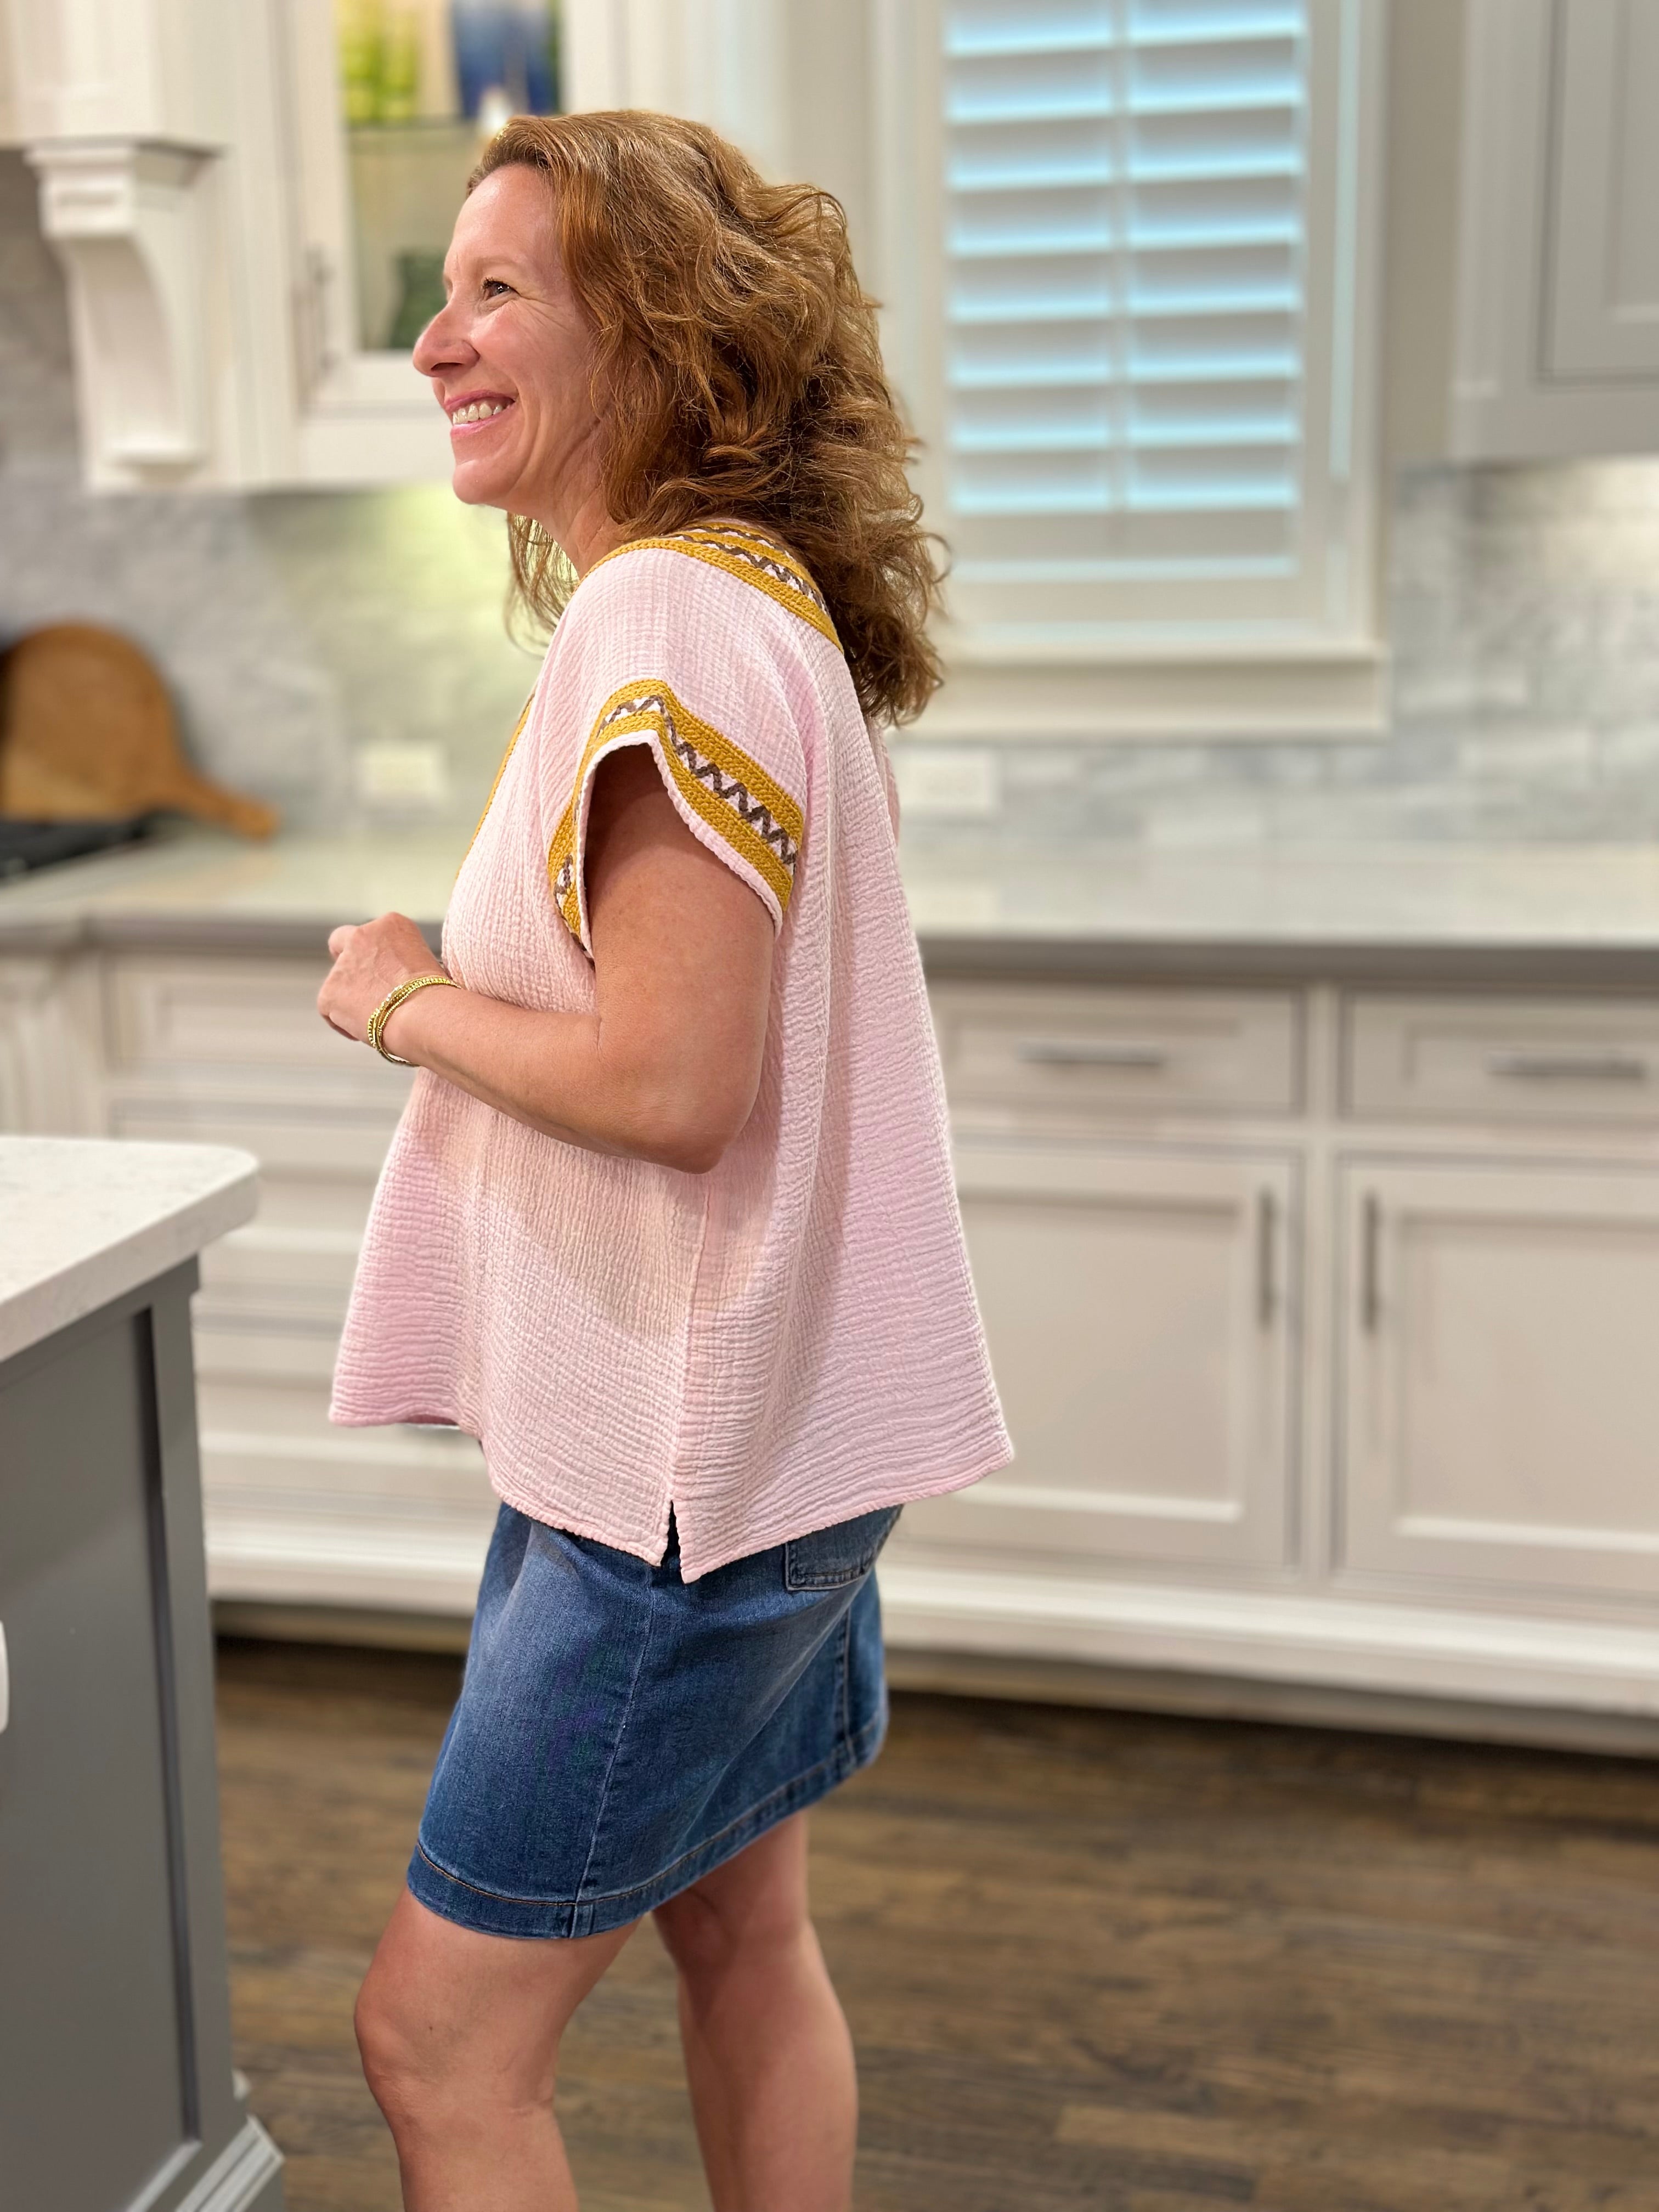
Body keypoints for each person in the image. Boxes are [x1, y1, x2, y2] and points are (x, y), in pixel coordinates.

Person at [317, 109, 1009, 2212]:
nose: (435, 340)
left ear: (660, 335)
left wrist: (402, 998)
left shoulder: (665, 624)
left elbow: (671, 1083)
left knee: (439, 2050)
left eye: (496, 292)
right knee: (741, 1933)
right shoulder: (746, 601)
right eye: (443, 291)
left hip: (679, 1498)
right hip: (761, 1458)